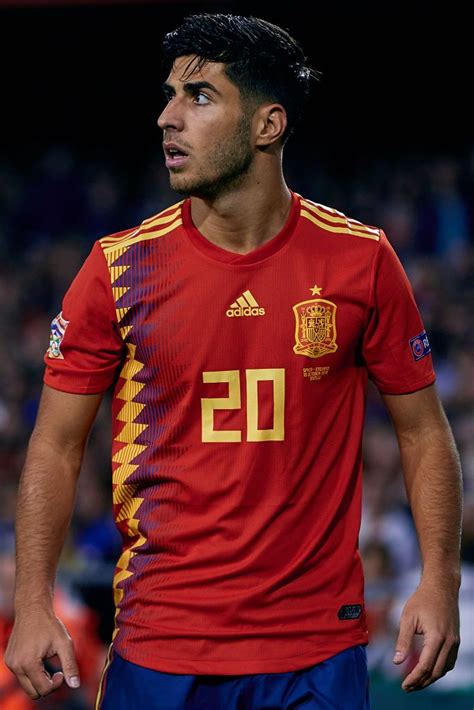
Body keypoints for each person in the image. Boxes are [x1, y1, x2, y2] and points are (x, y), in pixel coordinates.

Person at [4, 12, 462, 710]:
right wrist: (33, 600)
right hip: (161, 644)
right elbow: (56, 446)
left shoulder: (361, 260)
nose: (166, 117)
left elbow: (426, 433)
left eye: (199, 96)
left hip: (316, 647)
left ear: (267, 126)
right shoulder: (117, 268)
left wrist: (439, 581)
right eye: (168, 95)